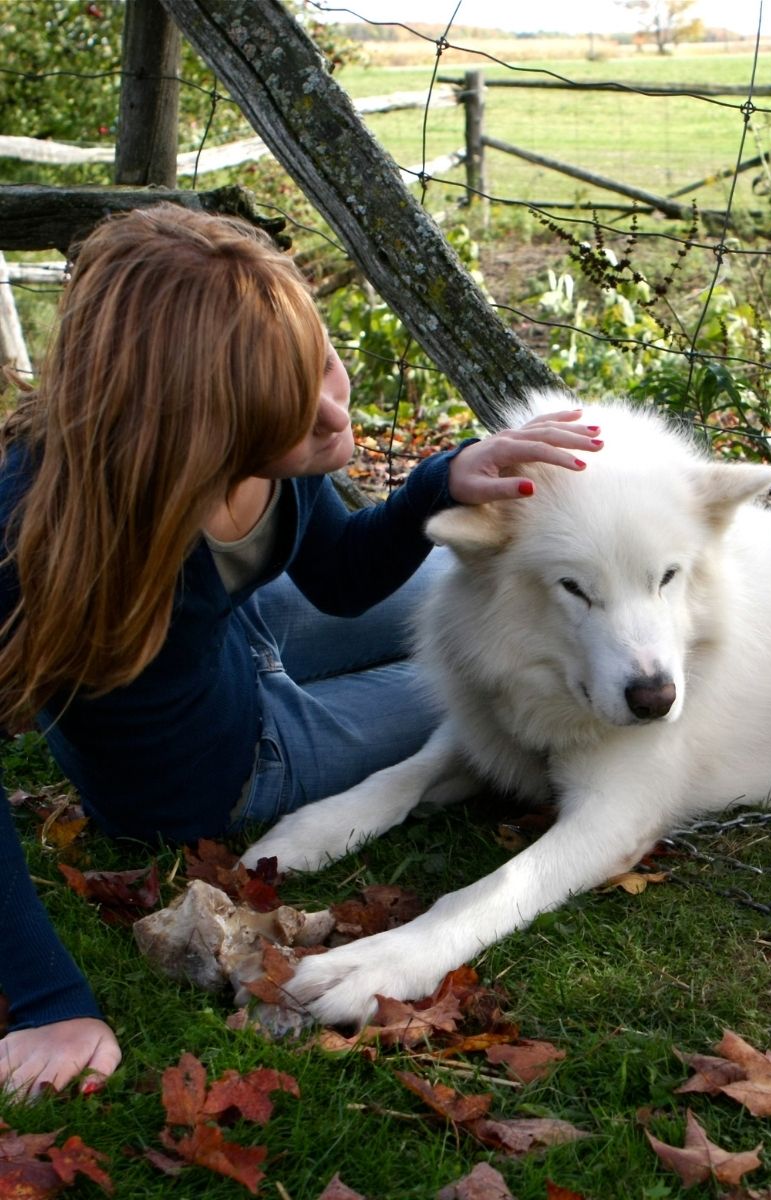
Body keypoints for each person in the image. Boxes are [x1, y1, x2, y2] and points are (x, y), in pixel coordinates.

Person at [0, 203, 601, 1099]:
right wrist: (48, 1003)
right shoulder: (33, 525)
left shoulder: (266, 451)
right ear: (193, 426)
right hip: (216, 767)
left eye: (321, 361)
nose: (330, 411)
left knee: (476, 602)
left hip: (240, 641)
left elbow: (341, 580)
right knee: (491, 684)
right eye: (289, 403)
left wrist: (443, 480)